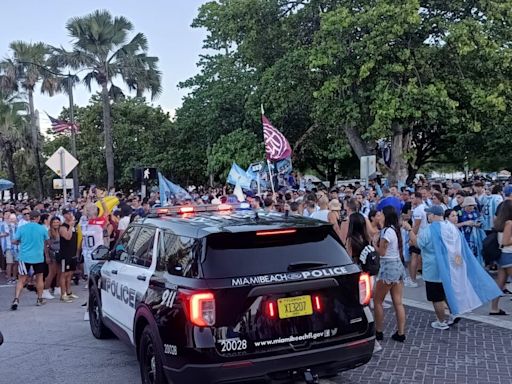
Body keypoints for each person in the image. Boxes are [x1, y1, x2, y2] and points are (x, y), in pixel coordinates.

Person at [418, 205, 501, 327]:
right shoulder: (451, 227)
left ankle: (441, 322)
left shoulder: (428, 230)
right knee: (447, 292)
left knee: (436, 297)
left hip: (433, 268)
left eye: (428, 214)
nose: (427, 216)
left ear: (432, 215)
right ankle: (454, 313)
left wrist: (411, 233)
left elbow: (419, 244)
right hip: (450, 268)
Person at [372, 206, 406, 343]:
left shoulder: (386, 232)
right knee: (398, 302)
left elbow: (382, 252)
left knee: (377, 300)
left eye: (380, 214)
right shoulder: (395, 230)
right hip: (398, 266)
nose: (379, 216)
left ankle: (379, 331)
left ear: (385, 216)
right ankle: (401, 332)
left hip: (388, 267)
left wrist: (374, 244)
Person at [10, 210, 49, 310]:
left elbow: (14, 241)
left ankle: (16, 299)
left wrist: (20, 242)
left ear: (29, 218)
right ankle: (39, 298)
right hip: (38, 256)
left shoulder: (22, 228)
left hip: (24, 256)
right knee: (39, 278)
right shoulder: (42, 228)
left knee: (21, 279)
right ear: (38, 218)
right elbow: (47, 241)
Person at [490, 200, 512, 315]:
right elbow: (506, 241)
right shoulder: (509, 223)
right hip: (509, 255)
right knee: (501, 283)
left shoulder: (500, 222)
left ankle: (494, 308)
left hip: (502, 255)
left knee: (500, 283)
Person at [42, 217, 62, 300]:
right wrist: (47, 256)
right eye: (54, 222)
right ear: (51, 223)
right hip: (52, 254)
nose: (56, 224)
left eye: (57, 222)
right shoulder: (49, 232)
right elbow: (46, 245)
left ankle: (57, 288)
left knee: (60, 272)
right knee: (52, 273)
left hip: (60, 254)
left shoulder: (60, 231)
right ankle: (45, 290)